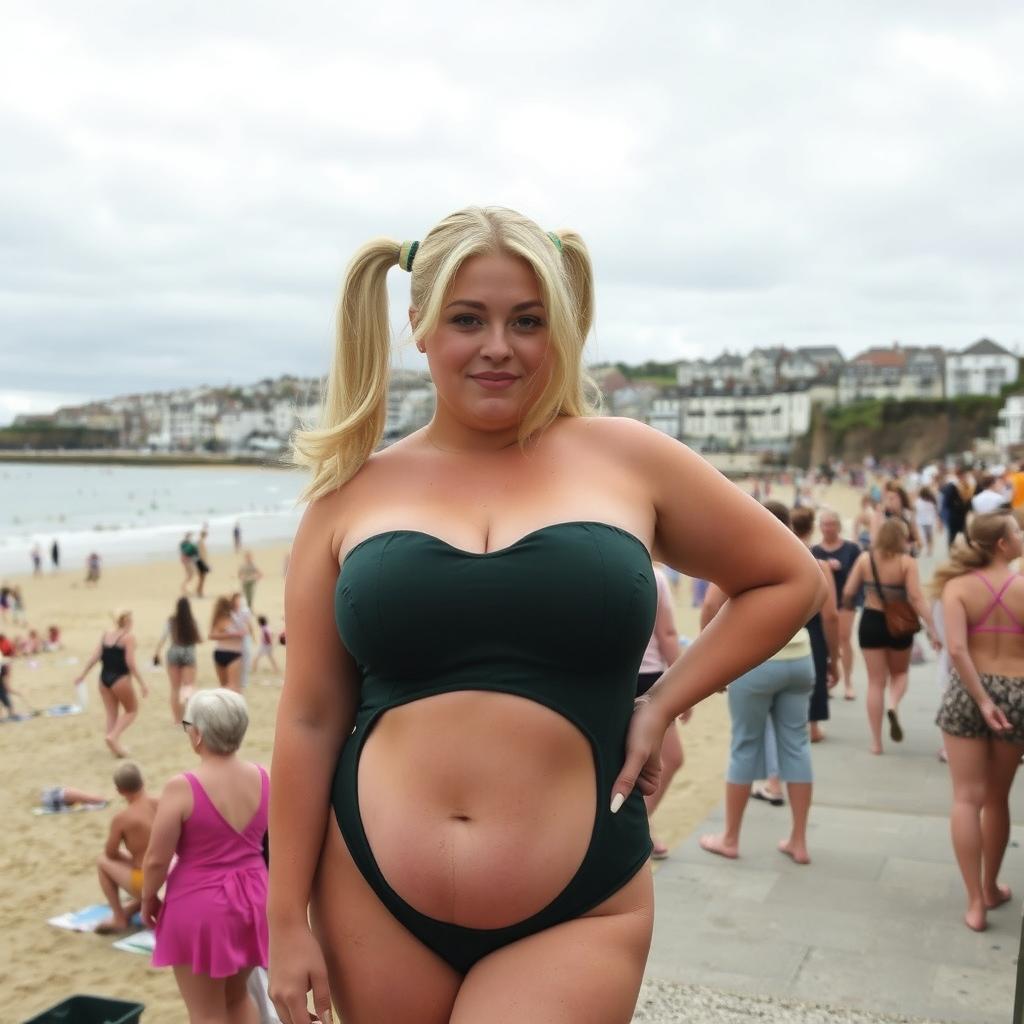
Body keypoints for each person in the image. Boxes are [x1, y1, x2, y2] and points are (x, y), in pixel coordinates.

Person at [267, 208, 824, 1024]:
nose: (500, 345)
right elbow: (312, 716)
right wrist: (283, 919)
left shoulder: (626, 456)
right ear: (419, 327)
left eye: (527, 321)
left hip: (581, 903)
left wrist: (665, 699)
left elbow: (787, 579)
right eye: (468, 319)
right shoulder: (350, 491)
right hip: (370, 898)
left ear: (559, 330)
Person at [143, 689, 269, 1021]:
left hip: (201, 903)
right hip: (255, 898)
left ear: (197, 734)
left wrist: (147, 899)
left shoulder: (183, 787)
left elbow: (157, 858)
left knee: (206, 1012)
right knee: (239, 998)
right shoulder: (262, 777)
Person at [933, 510, 1024, 932]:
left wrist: (982, 698)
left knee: (966, 798)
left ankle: (974, 904)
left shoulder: (957, 587)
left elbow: (956, 649)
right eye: (1017, 531)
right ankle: (990, 887)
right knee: (997, 798)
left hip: (968, 693)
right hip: (1016, 691)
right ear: (1003, 544)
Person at [842, 520, 940, 754]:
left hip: (871, 621)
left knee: (875, 682)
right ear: (902, 538)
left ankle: (876, 743)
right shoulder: (907, 563)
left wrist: (848, 609)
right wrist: (934, 629)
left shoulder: (865, 559)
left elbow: (848, 592)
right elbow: (916, 598)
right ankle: (893, 704)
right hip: (899, 624)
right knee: (900, 673)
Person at [636, 563, 688, 860]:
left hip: (611, 678)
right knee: (669, 758)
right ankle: (637, 826)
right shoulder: (654, 576)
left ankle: (643, 824)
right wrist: (683, 689)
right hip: (648, 679)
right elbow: (667, 633)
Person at [791, 508, 840, 742]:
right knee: (815, 676)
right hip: (812, 632)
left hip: (782, 630)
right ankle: (812, 728)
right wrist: (835, 657)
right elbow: (831, 615)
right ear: (812, 529)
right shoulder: (820, 566)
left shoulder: (777, 559)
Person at [74, 609, 149, 757]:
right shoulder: (128, 638)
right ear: (128, 622)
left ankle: (114, 747)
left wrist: (82, 675)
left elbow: (95, 657)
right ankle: (113, 737)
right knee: (131, 710)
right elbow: (130, 663)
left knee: (111, 713)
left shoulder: (106, 635)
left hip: (104, 679)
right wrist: (142, 683)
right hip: (120, 678)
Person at [95, 761, 158, 933]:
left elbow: (110, 853)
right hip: (172, 878)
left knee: (102, 861)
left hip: (149, 884)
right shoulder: (161, 803)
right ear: (144, 782)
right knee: (143, 863)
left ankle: (119, 917)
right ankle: (131, 908)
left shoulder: (122, 819)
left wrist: (131, 859)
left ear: (120, 791)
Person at [811, 508, 862, 700]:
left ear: (839, 526)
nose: (828, 528)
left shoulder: (851, 549)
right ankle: (828, 680)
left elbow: (860, 574)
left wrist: (840, 569)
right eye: (825, 524)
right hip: (823, 602)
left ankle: (848, 682)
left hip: (846, 600)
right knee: (824, 641)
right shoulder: (815, 550)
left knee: (844, 638)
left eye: (832, 524)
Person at [153, 597, 203, 723]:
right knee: (188, 687)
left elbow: (163, 637)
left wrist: (157, 652)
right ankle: (189, 717)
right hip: (188, 653)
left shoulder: (171, 621)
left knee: (175, 688)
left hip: (173, 653)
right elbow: (199, 639)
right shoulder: (192, 621)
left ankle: (177, 719)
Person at [210, 596, 245, 692]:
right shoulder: (233, 619)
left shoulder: (219, 619)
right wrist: (232, 634)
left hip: (221, 652)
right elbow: (212, 635)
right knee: (233, 687)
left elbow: (212, 635)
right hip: (233, 653)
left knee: (224, 687)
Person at [941, 465, 973, 549]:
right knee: (953, 536)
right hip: (954, 516)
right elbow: (946, 503)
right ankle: (952, 552)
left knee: (967, 536)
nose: (965, 478)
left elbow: (970, 502)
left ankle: (967, 553)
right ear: (959, 476)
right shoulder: (952, 487)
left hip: (965, 516)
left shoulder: (969, 486)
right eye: (963, 475)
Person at [915, 486, 939, 557]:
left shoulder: (931, 501)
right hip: (924, 522)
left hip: (928, 522)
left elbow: (935, 512)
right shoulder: (919, 501)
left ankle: (929, 549)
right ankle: (928, 549)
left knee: (929, 536)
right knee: (927, 537)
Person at [195, 529, 212, 598]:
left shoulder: (199, 541)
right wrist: (205, 563)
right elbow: (202, 554)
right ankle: (200, 592)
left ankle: (199, 591)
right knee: (202, 577)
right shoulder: (201, 542)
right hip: (201, 562)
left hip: (199, 561)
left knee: (201, 577)